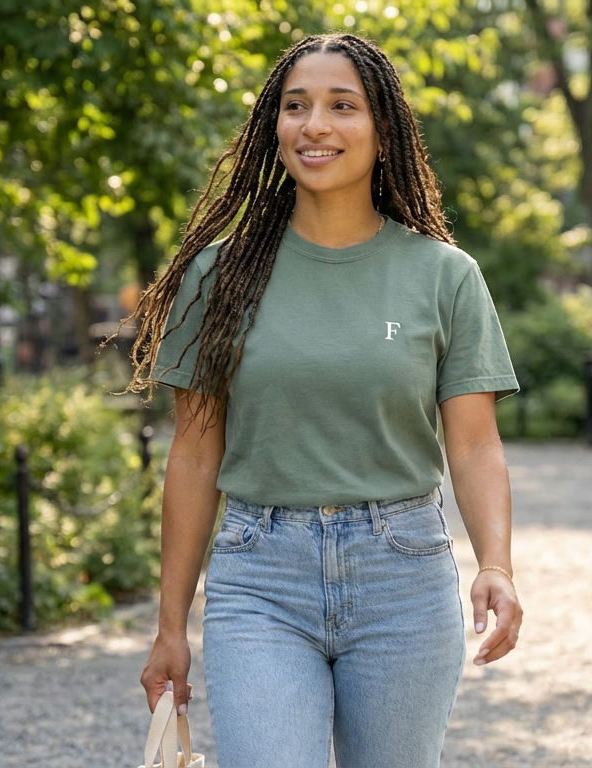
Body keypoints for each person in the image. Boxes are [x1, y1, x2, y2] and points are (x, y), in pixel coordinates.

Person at [124, 33, 522, 768]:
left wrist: (495, 563)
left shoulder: (445, 276)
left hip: (402, 573)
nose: (315, 125)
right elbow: (193, 452)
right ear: (272, 127)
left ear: (383, 131)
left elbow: (473, 443)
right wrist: (170, 625)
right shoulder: (217, 277)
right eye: (295, 106)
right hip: (259, 575)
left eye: (343, 106)